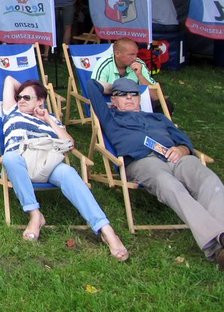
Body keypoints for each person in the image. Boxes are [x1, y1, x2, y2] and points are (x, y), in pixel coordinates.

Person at [88, 77, 224, 267]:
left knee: (210, 180)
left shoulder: (158, 118)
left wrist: (182, 150)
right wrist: (111, 87)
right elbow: (90, 86)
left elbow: (183, 140)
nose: (129, 98)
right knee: (169, 185)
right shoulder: (111, 118)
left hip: (176, 158)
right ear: (113, 100)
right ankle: (216, 244)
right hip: (142, 161)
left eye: (134, 94)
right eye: (122, 95)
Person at [0, 75, 129, 260]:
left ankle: (106, 230)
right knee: (9, 158)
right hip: (20, 160)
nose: (20, 100)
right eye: (19, 97)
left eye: (26, 98)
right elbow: (9, 80)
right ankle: (35, 215)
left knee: (68, 172)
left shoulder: (50, 118)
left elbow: (69, 144)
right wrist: (28, 90)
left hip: (48, 162)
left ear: (41, 101)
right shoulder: (11, 111)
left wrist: (48, 119)